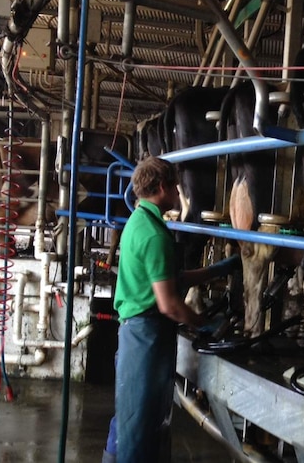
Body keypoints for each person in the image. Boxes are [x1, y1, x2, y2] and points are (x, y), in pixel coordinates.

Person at [104, 156, 239, 463]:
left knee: (132, 420)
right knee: (140, 425)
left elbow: (170, 279)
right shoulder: (153, 235)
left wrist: (216, 270)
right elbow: (168, 304)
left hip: (139, 333)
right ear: (162, 187)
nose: (179, 193)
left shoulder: (140, 222)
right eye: (176, 187)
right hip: (146, 338)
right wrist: (200, 322)